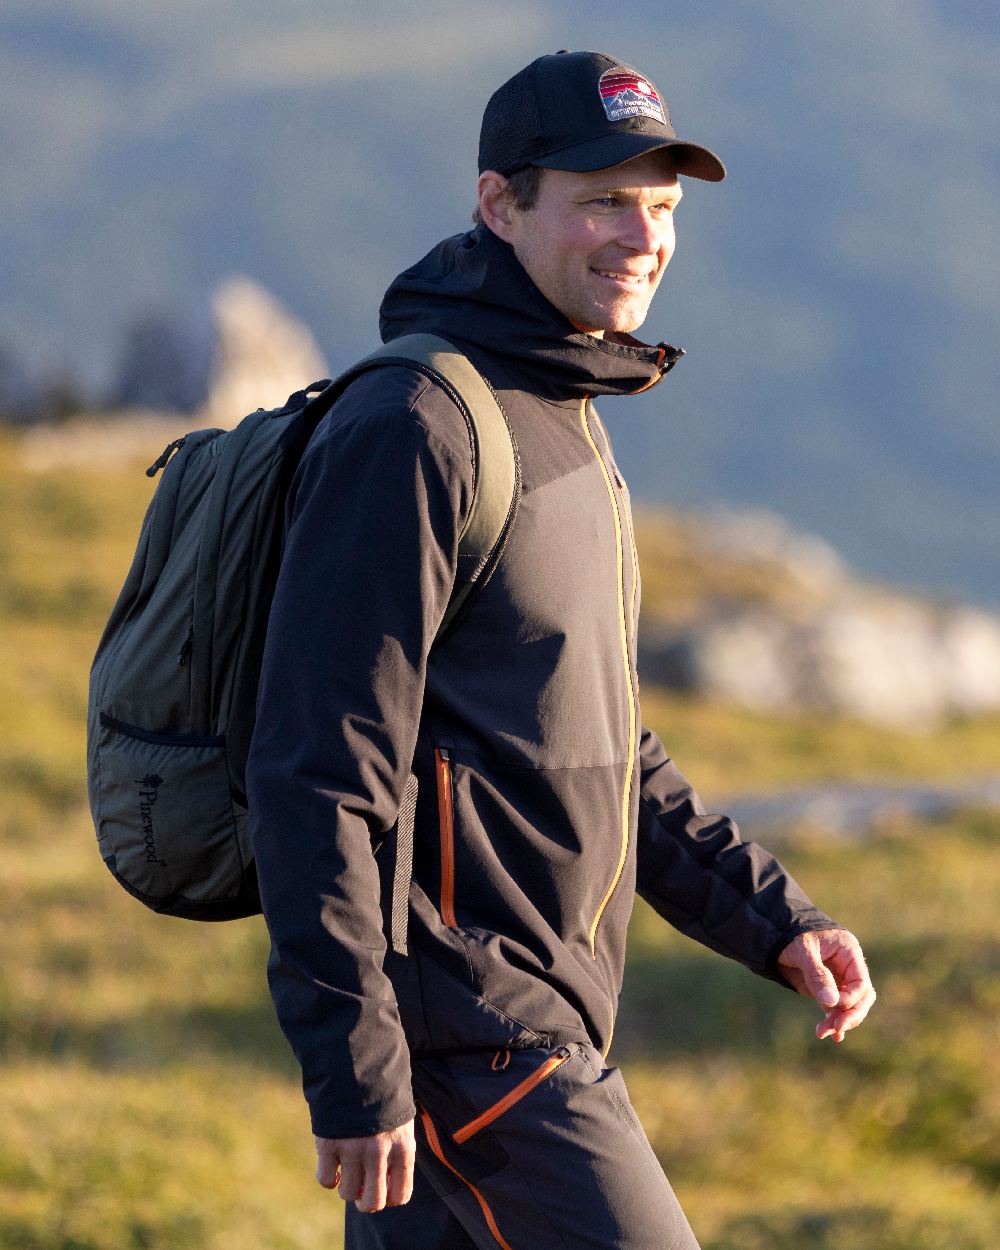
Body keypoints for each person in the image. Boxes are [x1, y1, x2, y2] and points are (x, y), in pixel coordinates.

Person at [246, 50, 876, 1249]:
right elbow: (315, 765)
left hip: (531, 1029)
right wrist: (353, 1058)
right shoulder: (416, 428)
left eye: (663, 204)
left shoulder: (560, 411)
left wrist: (773, 918)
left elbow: (595, 738)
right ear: (500, 203)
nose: (641, 235)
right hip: (471, 1047)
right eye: (601, 197)